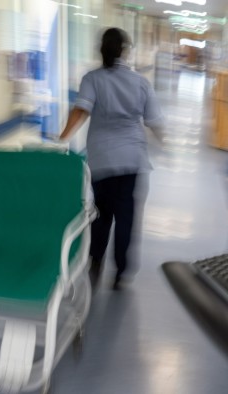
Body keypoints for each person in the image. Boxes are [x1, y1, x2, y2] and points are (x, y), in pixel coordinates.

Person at [59, 27, 165, 290]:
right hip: (132, 159)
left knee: (101, 214)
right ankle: (121, 271)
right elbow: (153, 121)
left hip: (102, 159)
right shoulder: (140, 82)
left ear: (102, 50)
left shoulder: (92, 79)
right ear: (125, 51)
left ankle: (96, 260)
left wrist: (61, 139)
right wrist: (166, 142)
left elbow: (81, 110)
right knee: (126, 216)